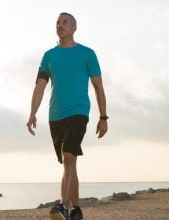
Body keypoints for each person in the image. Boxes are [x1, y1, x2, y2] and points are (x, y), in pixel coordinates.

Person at [26, 12, 108, 220]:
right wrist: (32, 113)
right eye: (57, 22)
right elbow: (40, 86)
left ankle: (63, 206)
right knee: (69, 162)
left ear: (74, 27)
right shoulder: (49, 56)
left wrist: (103, 117)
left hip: (79, 112)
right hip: (55, 116)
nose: (60, 25)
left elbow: (98, 87)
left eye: (65, 22)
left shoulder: (87, 54)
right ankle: (76, 209)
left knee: (69, 155)